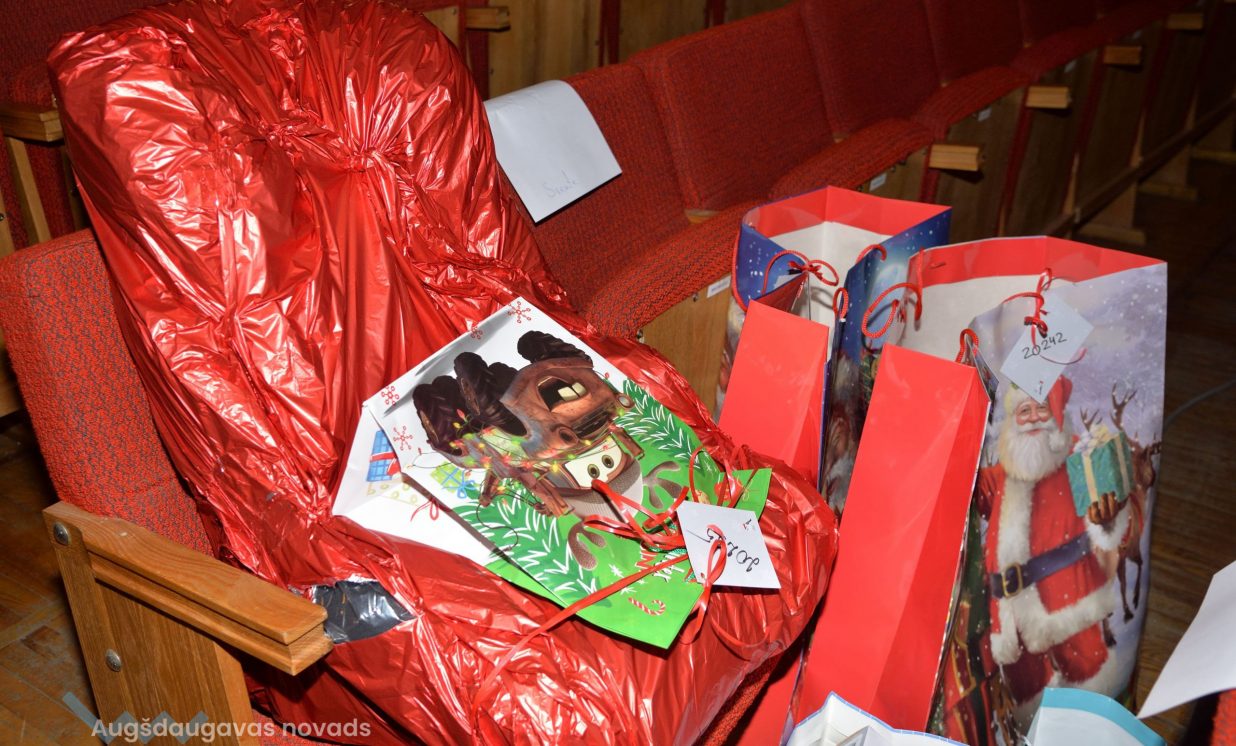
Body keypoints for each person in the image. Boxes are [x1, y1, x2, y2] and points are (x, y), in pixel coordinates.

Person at [976, 377, 1130, 725]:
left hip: (1069, 604)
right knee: (1028, 701)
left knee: (1089, 682)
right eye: (1024, 411)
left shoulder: (1078, 459)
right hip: (1010, 618)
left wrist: (1106, 519)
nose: (1032, 417)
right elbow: (968, 491)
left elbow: (1107, 513)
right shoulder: (1000, 476)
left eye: (1041, 408)